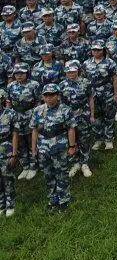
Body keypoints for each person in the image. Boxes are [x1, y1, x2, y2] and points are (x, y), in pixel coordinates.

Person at [30, 84, 77, 213]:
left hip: (60, 146)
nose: (49, 98)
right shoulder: (38, 110)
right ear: (43, 97)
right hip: (43, 147)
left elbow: (71, 128)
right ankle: (53, 199)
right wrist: (34, 149)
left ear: (58, 96)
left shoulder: (65, 110)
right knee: (48, 174)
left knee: (61, 174)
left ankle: (64, 200)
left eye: (52, 95)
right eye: (46, 95)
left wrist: (72, 146)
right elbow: (34, 130)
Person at [0, 89, 18, 216]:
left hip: (6, 149)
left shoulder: (10, 114)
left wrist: (14, 153)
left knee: (7, 178)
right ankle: (1, 204)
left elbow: (15, 135)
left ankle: (10, 204)